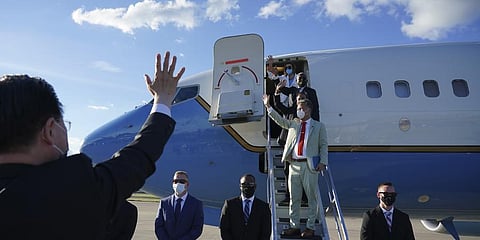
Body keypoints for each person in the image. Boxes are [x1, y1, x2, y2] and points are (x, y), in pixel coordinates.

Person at [0, 51, 184, 239]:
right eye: (64, 125)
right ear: (49, 131)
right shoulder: (73, 191)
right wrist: (163, 100)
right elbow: (139, 155)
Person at [262, 94, 328, 238]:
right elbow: (280, 121)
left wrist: (323, 161)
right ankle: (294, 226)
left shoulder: (318, 126)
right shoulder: (294, 123)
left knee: (311, 198)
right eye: (298, 108)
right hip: (294, 165)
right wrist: (268, 106)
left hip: (309, 166)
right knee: (294, 198)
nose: (299, 111)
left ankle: (310, 227)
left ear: (309, 110)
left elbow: (323, 145)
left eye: (301, 108)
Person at [220, 173, 272, 240]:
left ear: (255, 186)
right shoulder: (230, 204)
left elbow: (266, 232)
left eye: (250, 184)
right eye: (244, 184)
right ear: (240, 186)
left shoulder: (264, 207)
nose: (247, 187)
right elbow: (224, 228)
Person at [155, 170, 204, 239]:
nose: (178, 184)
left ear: (187, 184)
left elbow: (197, 228)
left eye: (182, 182)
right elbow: (159, 226)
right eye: (175, 181)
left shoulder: (196, 204)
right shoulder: (164, 202)